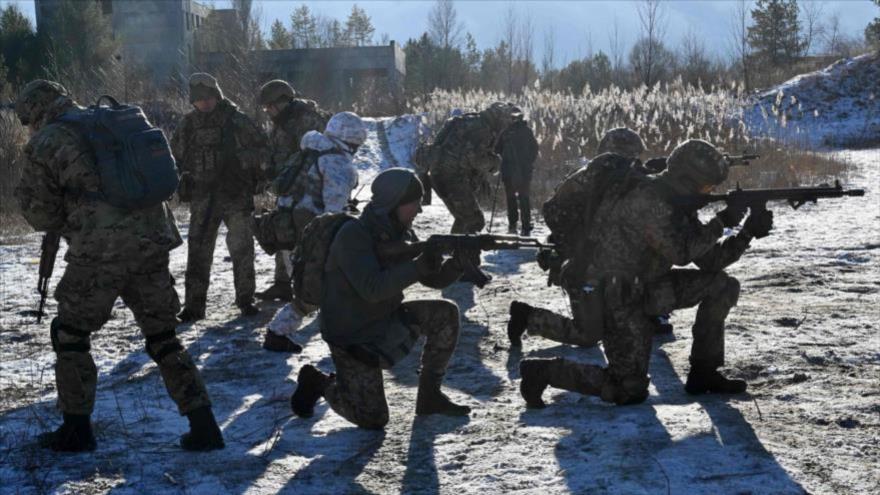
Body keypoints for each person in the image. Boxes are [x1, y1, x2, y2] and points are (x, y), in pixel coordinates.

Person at [14, 80, 224, 452]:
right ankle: (204, 424)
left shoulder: (48, 140)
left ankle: (77, 430)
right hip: (153, 239)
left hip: (101, 250)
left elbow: (40, 213)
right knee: (162, 336)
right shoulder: (112, 120)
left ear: (35, 112)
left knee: (71, 333)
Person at [519, 139, 774, 408]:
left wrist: (746, 234)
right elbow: (682, 252)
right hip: (616, 298)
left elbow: (710, 261)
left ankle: (704, 373)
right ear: (687, 180)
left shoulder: (675, 204)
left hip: (649, 288)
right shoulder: (647, 198)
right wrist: (722, 222)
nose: (708, 193)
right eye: (706, 187)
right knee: (628, 389)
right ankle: (542, 373)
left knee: (722, 285)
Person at [290, 168, 471, 429]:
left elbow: (432, 280)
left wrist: (456, 265)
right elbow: (372, 289)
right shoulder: (353, 235)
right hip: (351, 336)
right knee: (373, 419)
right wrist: (419, 264)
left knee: (445, 314)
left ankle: (430, 397)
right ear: (394, 204)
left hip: (383, 320)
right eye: (414, 203)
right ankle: (318, 382)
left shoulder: (400, 232)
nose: (419, 211)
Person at [509, 128, 655, 349]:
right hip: (583, 264)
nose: (633, 163)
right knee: (587, 335)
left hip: (609, 263)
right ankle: (527, 317)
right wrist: (576, 246)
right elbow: (553, 211)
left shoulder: (632, 179)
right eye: (630, 157)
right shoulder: (590, 177)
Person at [263, 111, 363, 352]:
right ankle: (277, 333)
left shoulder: (308, 151)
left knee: (312, 288)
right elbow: (334, 212)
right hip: (313, 236)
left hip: (286, 230)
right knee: (316, 290)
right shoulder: (336, 162)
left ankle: (286, 332)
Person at [172, 73, 268, 322]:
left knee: (242, 249)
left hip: (235, 194)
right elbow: (176, 155)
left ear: (217, 96)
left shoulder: (236, 121)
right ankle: (194, 307)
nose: (204, 103)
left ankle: (246, 300)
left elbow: (263, 149)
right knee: (198, 252)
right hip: (203, 197)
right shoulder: (188, 124)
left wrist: (239, 163)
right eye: (199, 100)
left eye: (208, 98)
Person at [426, 102, 521, 284]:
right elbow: (476, 158)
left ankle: (452, 261)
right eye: (508, 120)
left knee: (464, 219)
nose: (508, 124)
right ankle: (464, 267)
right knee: (474, 220)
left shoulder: (471, 121)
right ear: (499, 118)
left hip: (439, 174)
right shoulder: (482, 129)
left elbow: (462, 152)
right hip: (451, 177)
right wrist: (495, 162)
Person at [255, 80, 330, 303]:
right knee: (282, 231)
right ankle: (282, 283)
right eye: (265, 107)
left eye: (270, 106)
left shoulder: (306, 120)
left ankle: (314, 286)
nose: (267, 111)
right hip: (287, 188)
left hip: (308, 189)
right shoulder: (282, 121)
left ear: (284, 101)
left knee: (308, 238)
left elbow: (310, 155)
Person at [496, 117, 539, 236]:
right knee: (524, 198)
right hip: (524, 173)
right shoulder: (527, 131)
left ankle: (512, 226)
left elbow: (497, 149)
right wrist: (528, 162)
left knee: (511, 199)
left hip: (508, 173)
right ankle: (525, 227)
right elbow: (535, 149)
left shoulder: (505, 132)